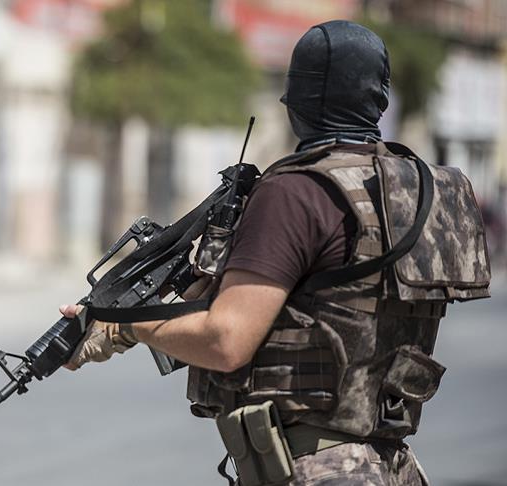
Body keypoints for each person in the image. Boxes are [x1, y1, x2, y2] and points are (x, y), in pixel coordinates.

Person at [59, 20, 490, 485]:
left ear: (298, 99)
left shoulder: (296, 192)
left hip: (316, 469)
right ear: (378, 98)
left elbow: (226, 340)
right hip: (387, 466)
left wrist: (124, 324)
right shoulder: (414, 192)